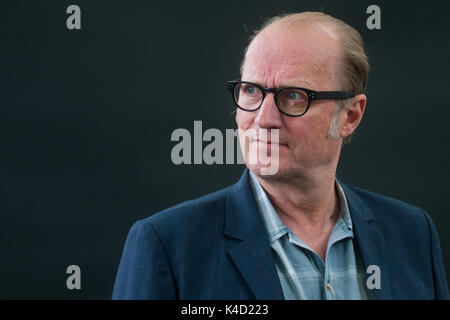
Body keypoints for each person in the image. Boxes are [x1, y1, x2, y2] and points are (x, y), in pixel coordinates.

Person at [112, 11, 449, 299]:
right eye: (251, 90)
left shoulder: (412, 232)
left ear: (350, 116)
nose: (264, 118)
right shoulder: (169, 246)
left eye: (293, 96)